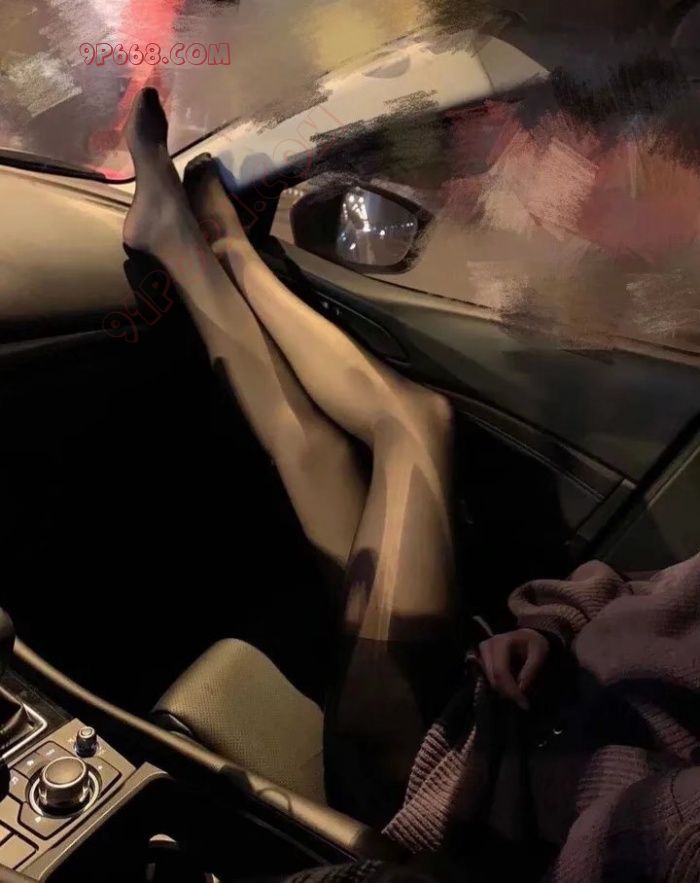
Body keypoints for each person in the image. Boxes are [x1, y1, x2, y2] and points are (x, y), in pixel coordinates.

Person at [122, 88, 700, 882]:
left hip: (449, 793)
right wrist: (553, 630)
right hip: (501, 714)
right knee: (329, 456)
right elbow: (658, 599)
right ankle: (202, 245)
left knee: (416, 424)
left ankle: (216, 248)